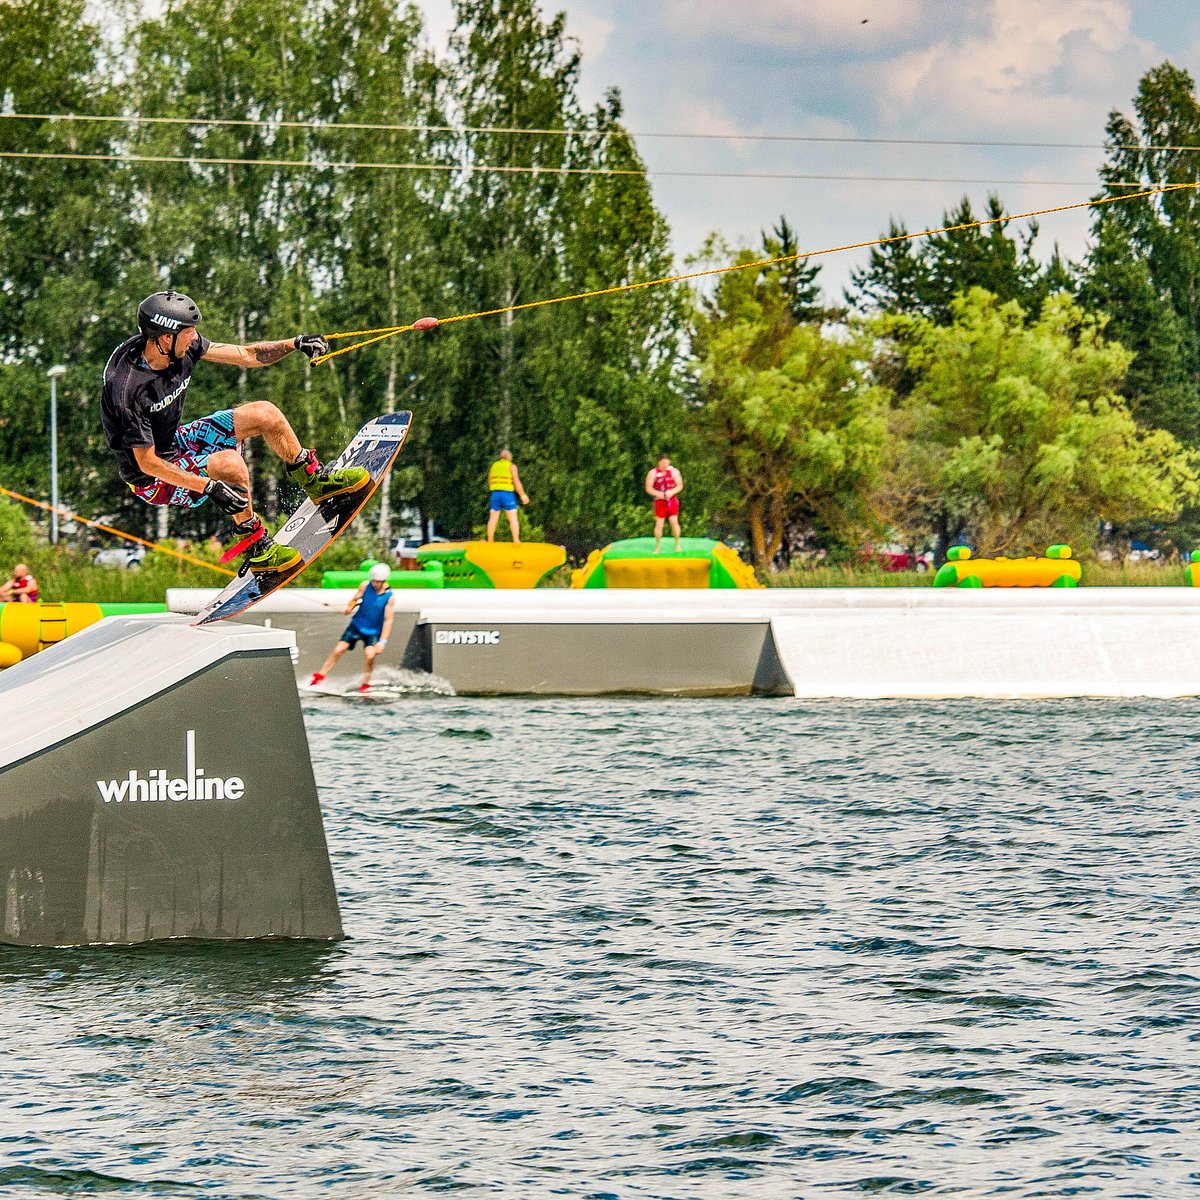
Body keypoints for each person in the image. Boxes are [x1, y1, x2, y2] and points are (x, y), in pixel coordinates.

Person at [101, 290, 372, 575]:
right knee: (230, 464)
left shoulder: (181, 346)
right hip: (152, 477)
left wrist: (295, 343)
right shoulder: (126, 390)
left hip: (175, 442)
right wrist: (208, 486)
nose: (195, 337)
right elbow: (147, 463)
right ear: (166, 337)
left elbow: (246, 355)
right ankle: (256, 545)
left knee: (264, 413)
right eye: (190, 332)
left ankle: (314, 480)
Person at [308, 562, 395, 693]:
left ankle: (365, 684)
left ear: (384, 581)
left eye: (378, 582)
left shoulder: (389, 596)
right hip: (356, 625)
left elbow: (388, 620)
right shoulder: (365, 586)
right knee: (338, 650)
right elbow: (355, 599)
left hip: (373, 631)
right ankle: (320, 677)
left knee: (370, 655)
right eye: (374, 581)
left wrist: (382, 641)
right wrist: (350, 607)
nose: (375, 584)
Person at [485, 448, 529, 543]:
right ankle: (516, 540)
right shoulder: (512, 466)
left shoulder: (494, 465)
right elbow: (516, 481)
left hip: (495, 493)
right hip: (507, 494)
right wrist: (523, 495)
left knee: (493, 517)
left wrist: (494, 489)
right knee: (513, 517)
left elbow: (489, 480)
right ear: (509, 457)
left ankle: (490, 540)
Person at [645, 454, 683, 553]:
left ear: (669, 462)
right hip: (660, 501)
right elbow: (648, 488)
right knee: (659, 524)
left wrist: (672, 492)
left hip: (672, 500)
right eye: (663, 463)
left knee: (674, 522)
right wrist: (658, 494)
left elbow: (679, 486)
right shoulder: (653, 473)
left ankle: (677, 544)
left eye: (666, 463)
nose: (665, 465)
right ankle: (657, 546)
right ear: (659, 462)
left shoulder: (674, 472)